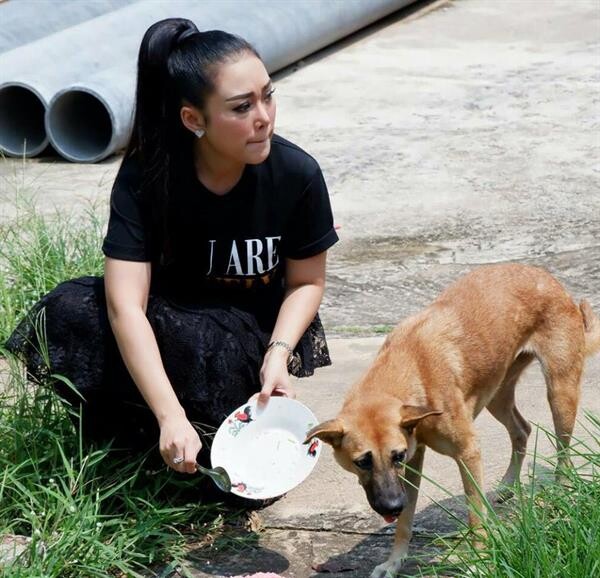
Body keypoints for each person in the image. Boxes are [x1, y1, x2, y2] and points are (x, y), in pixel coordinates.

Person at [6, 18, 338, 478]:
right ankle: (137, 434)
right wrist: (169, 415)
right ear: (193, 119)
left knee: (216, 382)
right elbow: (126, 306)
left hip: (246, 344)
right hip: (170, 326)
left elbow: (306, 281)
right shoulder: (148, 176)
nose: (263, 116)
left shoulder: (296, 175)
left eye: (268, 95)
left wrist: (278, 354)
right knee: (68, 312)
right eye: (241, 107)